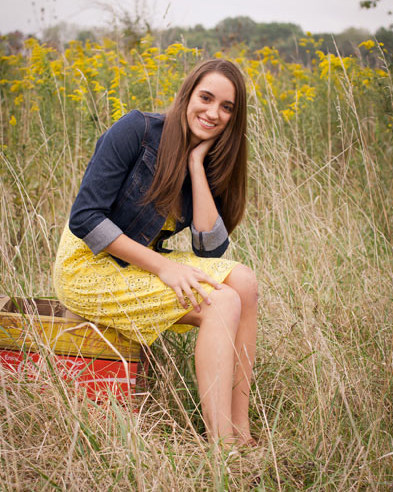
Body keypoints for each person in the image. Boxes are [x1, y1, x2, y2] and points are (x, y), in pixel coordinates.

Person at [54, 59, 259, 446]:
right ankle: (223, 446)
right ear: (187, 95)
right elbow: (85, 218)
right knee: (220, 302)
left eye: (227, 107)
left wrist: (197, 165)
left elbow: (210, 249)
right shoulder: (138, 130)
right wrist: (164, 267)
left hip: (133, 266)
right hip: (85, 268)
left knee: (243, 283)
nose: (213, 113)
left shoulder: (212, 158)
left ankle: (242, 431)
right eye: (206, 98)